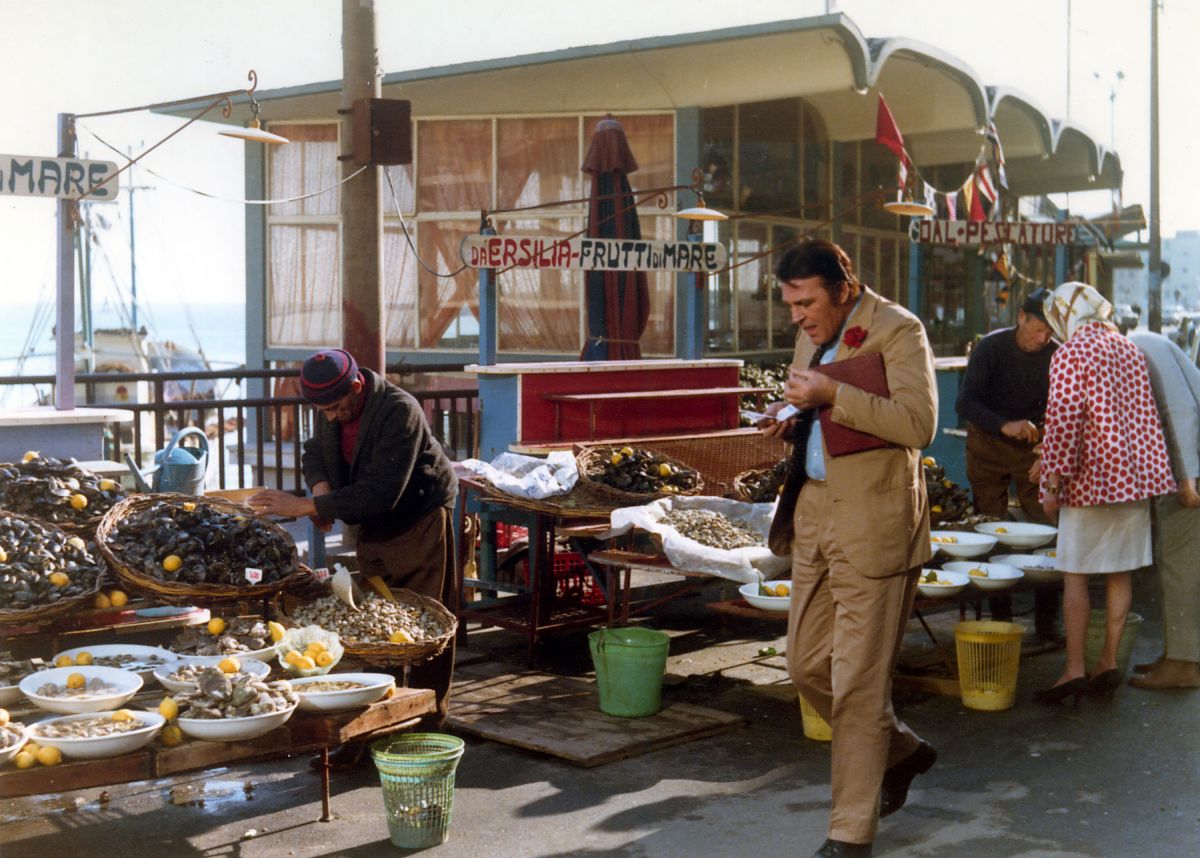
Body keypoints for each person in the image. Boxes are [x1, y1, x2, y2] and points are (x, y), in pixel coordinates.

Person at [759, 239, 938, 858]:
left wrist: (832, 396)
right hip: (814, 514)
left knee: (858, 684)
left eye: (806, 303)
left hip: (876, 522)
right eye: (790, 305)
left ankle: (849, 835)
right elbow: (815, 405)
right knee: (806, 665)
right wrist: (791, 415)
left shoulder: (898, 329)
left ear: (842, 288)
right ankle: (903, 751)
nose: (797, 317)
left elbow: (918, 425)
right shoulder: (813, 332)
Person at [250, 348, 459, 753]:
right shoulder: (333, 405)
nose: (330, 415)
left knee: (425, 628)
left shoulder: (401, 410)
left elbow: (383, 492)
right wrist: (321, 489)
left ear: (358, 386)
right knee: (375, 626)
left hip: (419, 518)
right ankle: (375, 724)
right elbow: (315, 452)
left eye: (336, 407)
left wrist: (307, 507)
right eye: (322, 409)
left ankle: (428, 726)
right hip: (372, 526)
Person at [1034, 283, 1175, 706]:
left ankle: (1074, 669)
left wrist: (1052, 484)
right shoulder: (1127, 348)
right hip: (1133, 480)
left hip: (1088, 483)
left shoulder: (1071, 352)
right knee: (1120, 571)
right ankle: (1109, 661)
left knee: (1075, 575)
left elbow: (1062, 422)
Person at [955, 288, 1060, 640]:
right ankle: (1001, 618)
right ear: (1020, 318)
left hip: (1033, 449)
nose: (1042, 338)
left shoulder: (1057, 355)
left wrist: (1048, 447)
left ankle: (1047, 623)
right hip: (987, 445)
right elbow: (965, 402)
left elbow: (1063, 410)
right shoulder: (991, 347)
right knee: (991, 529)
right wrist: (1004, 424)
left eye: (1049, 332)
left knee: (1049, 529)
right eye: (1037, 329)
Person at [1127, 331, 1200, 689]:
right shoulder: (1143, 345)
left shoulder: (1142, 346)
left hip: (1193, 466)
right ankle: (1180, 653)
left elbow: (1180, 409)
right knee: (1176, 559)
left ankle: (1184, 663)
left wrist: (1188, 476)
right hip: (1187, 465)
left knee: (1178, 563)